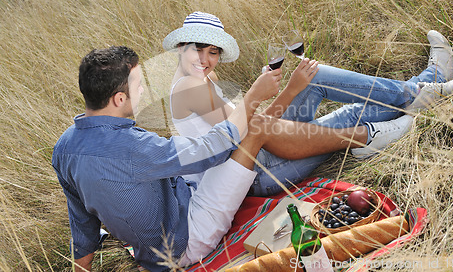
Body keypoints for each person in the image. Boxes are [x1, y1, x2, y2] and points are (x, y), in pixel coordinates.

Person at [53, 46, 422, 271]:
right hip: (187, 235)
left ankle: (414, 96)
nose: (145, 89)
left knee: (290, 117)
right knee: (263, 130)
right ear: (118, 100)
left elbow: (80, 219)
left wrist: (80, 268)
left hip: (183, 194)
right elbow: (203, 153)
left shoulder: (65, 147)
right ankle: (372, 132)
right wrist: (252, 100)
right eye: (137, 86)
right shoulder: (130, 144)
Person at [165, 12, 453, 196]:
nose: (204, 59)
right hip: (262, 172)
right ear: (181, 47)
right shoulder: (190, 87)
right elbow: (253, 135)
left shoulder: (199, 77)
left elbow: (257, 128)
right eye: (197, 49)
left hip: (264, 151)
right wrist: (279, 93)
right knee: (342, 109)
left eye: (212, 51)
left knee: (315, 77)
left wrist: (275, 93)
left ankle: (421, 90)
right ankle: (428, 83)